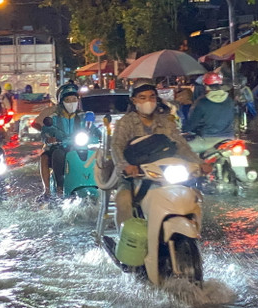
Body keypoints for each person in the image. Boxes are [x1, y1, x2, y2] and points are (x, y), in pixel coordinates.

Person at [110, 83, 204, 226]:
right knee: (123, 201)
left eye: (151, 97)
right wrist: (125, 166)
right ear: (134, 100)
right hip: (137, 175)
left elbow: (181, 145)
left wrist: (199, 163)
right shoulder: (125, 123)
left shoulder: (166, 121)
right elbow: (116, 146)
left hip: (167, 173)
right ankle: (126, 236)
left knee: (195, 196)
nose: (148, 101)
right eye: (142, 98)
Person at [39, 82, 101, 198]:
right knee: (55, 155)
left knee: (97, 154)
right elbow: (45, 132)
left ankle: (99, 182)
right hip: (60, 147)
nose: (71, 103)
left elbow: (95, 130)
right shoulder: (54, 118)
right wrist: (49, 138)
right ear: (61, 102)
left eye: (74, 99)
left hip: (79, 146)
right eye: (68, 100)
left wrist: (101, 136)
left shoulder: (83, 117)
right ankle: (56, 188)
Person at [183, 71, 235, 152]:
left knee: (183, 149)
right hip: (229, 139)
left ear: (205, 85)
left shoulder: (201, 102)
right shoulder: (229, 100)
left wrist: (184, 130)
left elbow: (192, 123)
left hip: (207, 140)